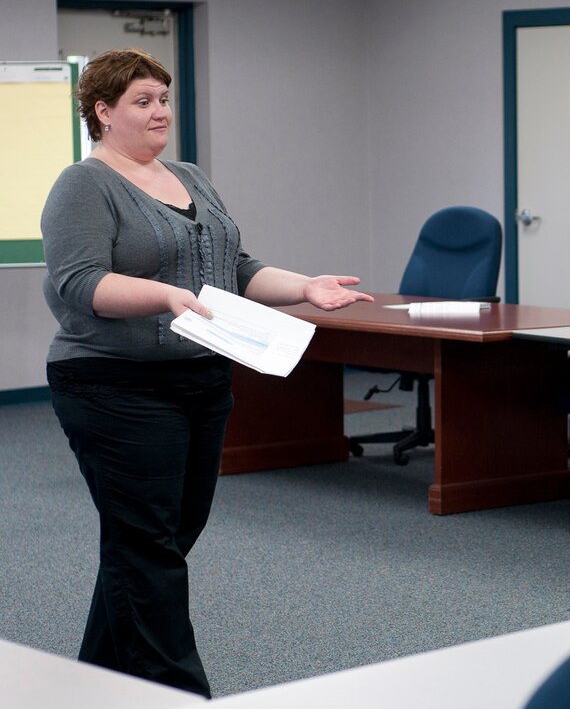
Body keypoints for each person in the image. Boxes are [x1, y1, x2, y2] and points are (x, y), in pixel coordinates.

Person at [41, 48, 373, 698]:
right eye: (142, 100)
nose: (160, 110)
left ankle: (85, 684)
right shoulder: (83, 185)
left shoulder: (190, 175)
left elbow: (236, 268)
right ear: (103, 112)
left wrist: (306, 285)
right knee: (148, 547)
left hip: (200, 380)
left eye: (163, 98)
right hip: (113, 385)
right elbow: (80, 283)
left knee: (161, 539)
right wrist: (164, 295)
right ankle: (180, 691)